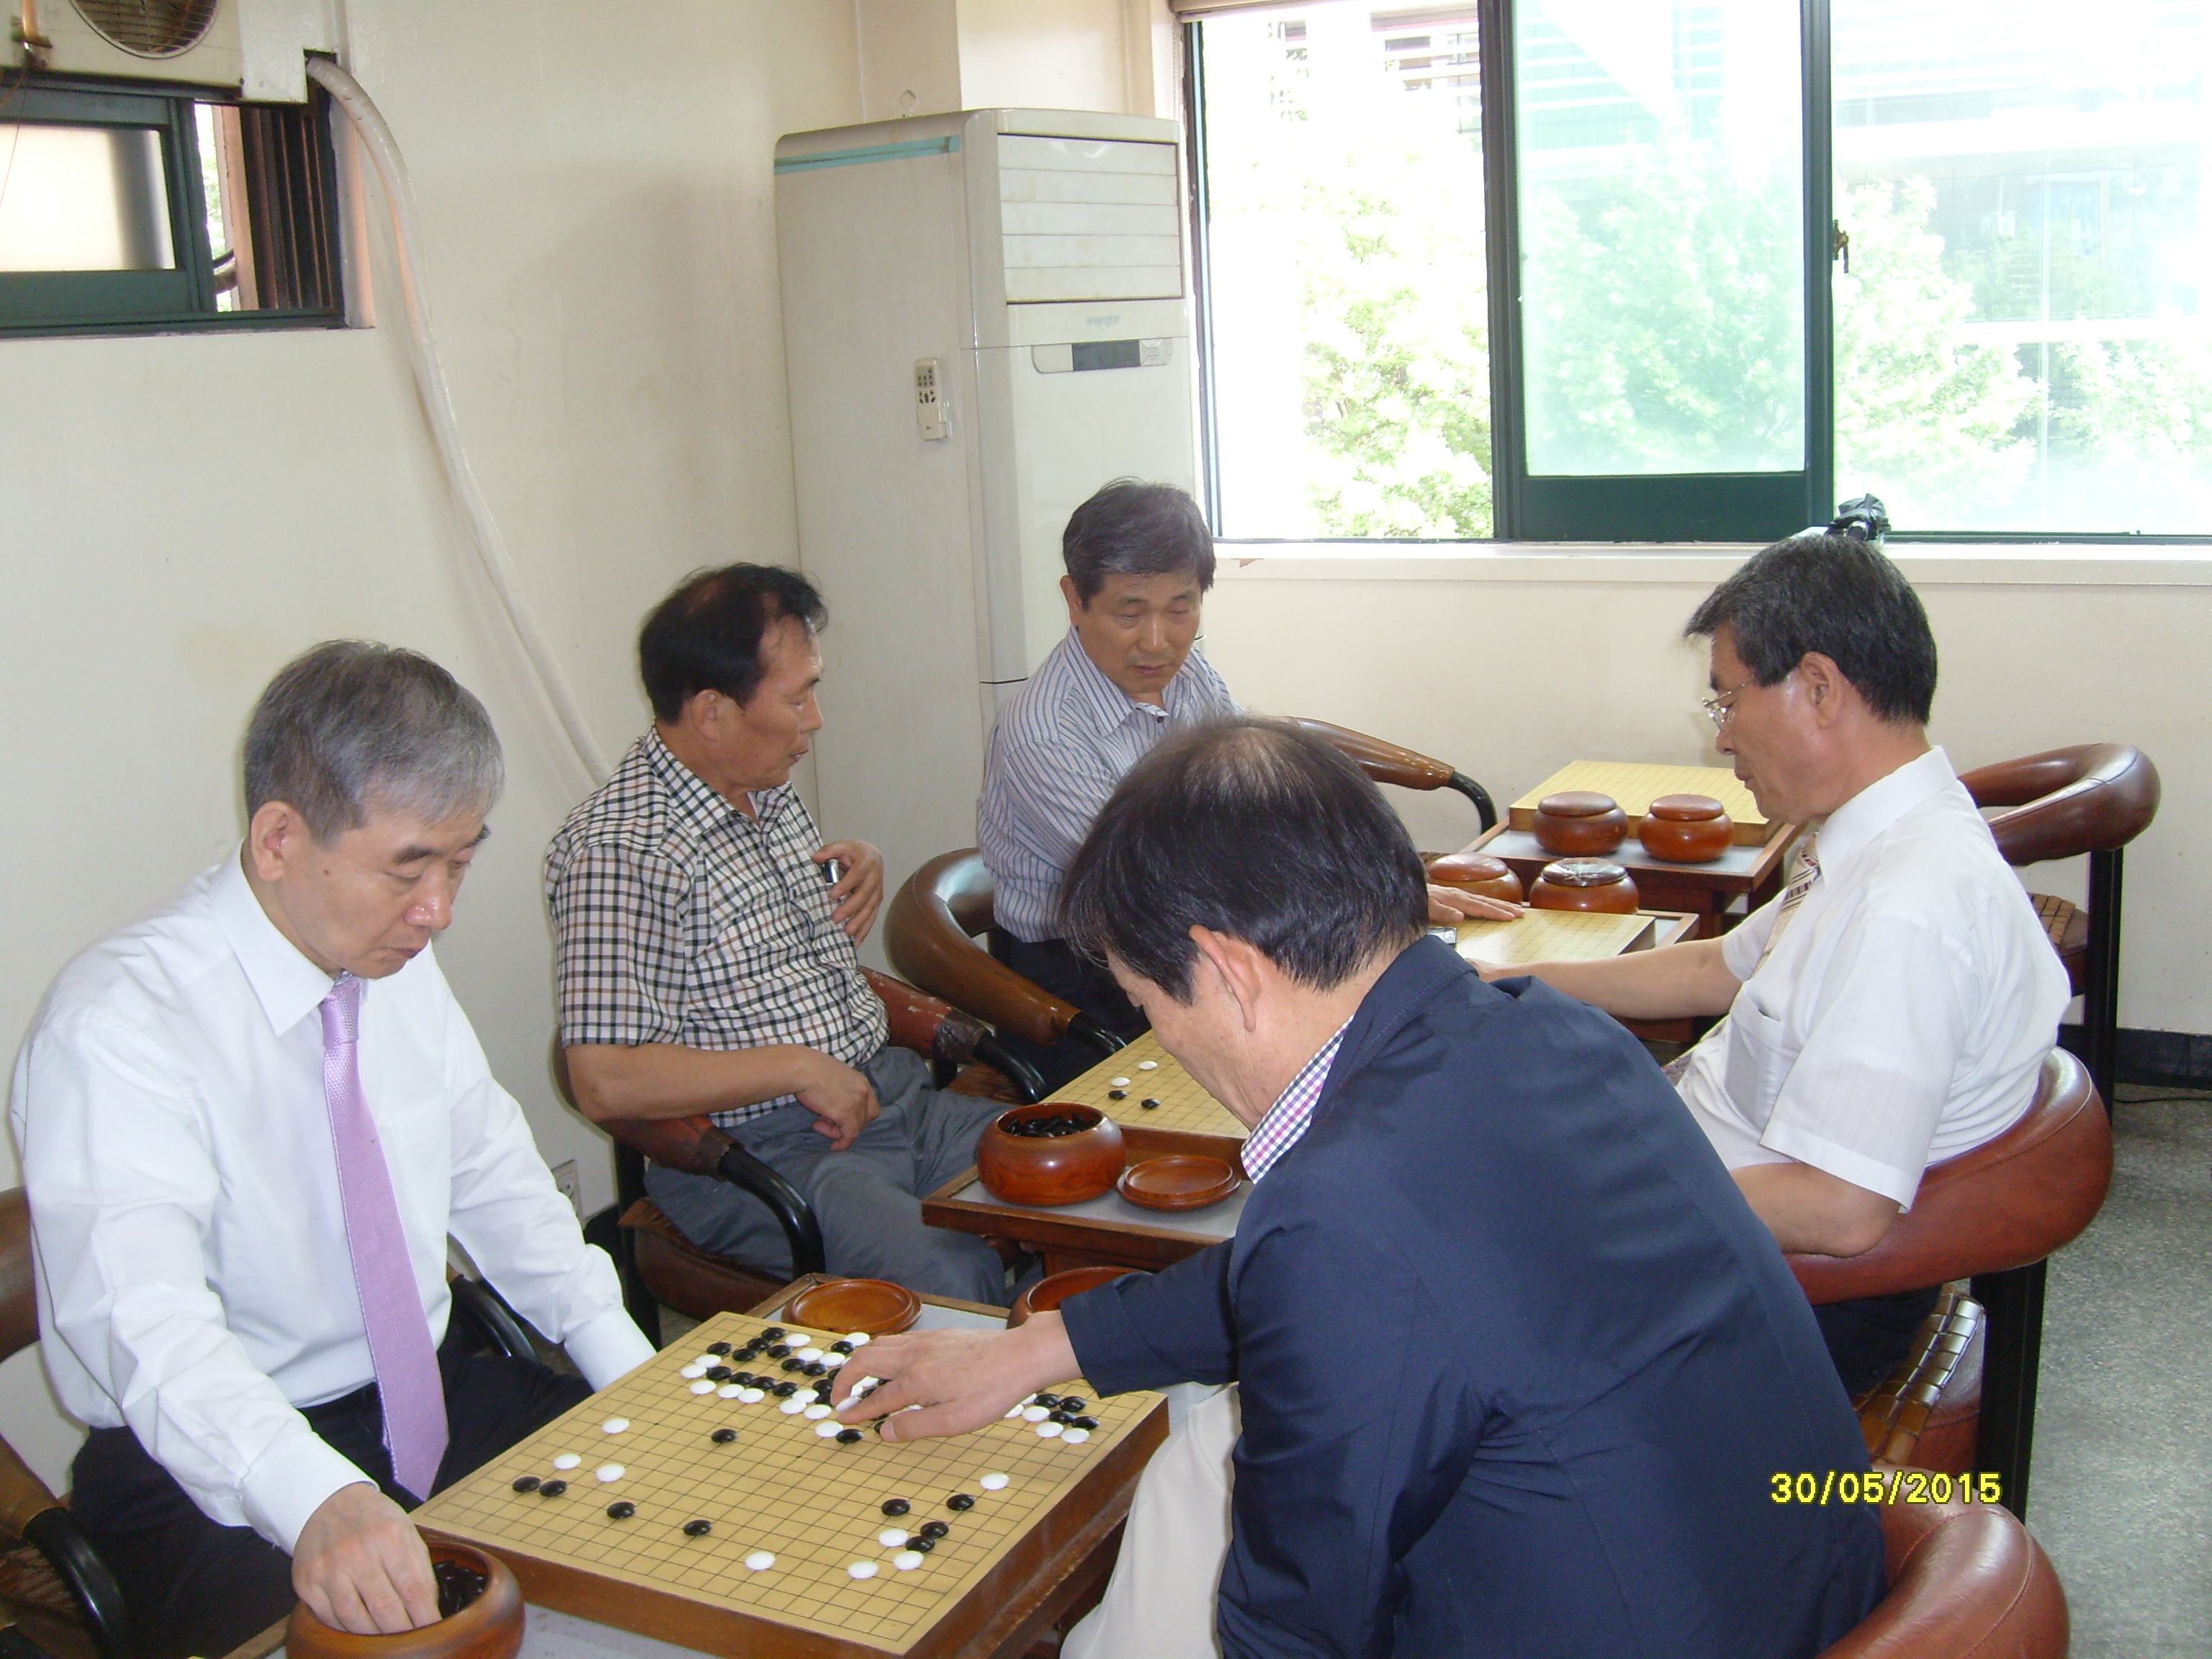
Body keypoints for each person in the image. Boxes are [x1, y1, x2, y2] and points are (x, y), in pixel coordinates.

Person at [837, 717, 1886, 1659]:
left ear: (1230, 972)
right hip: (1807, 1594)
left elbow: (1298, 1629)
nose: (1166, 1037)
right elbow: (1322, 1280)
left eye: (1151, 1002)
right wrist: (1038, 1350)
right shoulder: (1556, 1034)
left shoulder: (1346, 1217)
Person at [13, 642, 655, 1657]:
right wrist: (312, 1494)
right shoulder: (118, 1025)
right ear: (279, 839)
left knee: (673, 1537)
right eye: (409, 867)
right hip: (211, 1455)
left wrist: (624, 1363)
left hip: (432, 1394)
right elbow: (144, 1323)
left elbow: (493, 1175)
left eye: (460, 861)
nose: (439, 910)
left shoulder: (394, 963)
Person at [1485, 534, 2069, 1395]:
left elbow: (1841, 1209)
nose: (1722, 738)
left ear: (1820, 688)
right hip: (1708, 1188)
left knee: (1437, 1251)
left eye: (1727, 701)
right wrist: (1509, 983)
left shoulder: (1906, 908)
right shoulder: (1878, 837)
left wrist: (1601, 1191)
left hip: (1774, 1301)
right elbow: (1717, 969)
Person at [546, 565, 1011, 1304]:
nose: (815, 719)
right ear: (711, 712)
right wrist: (797, 1068)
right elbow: (605, 1080)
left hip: (894, 1098)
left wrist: (862, 859)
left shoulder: (763, 791)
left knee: (1083, 1177)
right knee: (951, 1276)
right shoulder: (622, 852)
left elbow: (769, 964)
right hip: (771, 1151)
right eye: (798, 699)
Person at [979, 479, 1514, 1087]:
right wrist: (1357, 907)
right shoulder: (1044, 729)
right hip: (1085, 978)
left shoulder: (1190, 676)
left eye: (1180, 609)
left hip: (1208, 931)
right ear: (1075, 600)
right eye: (1130, 612)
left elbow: (1251, 807)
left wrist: (1377, 886)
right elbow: (1148, 888)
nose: (1157, 641)